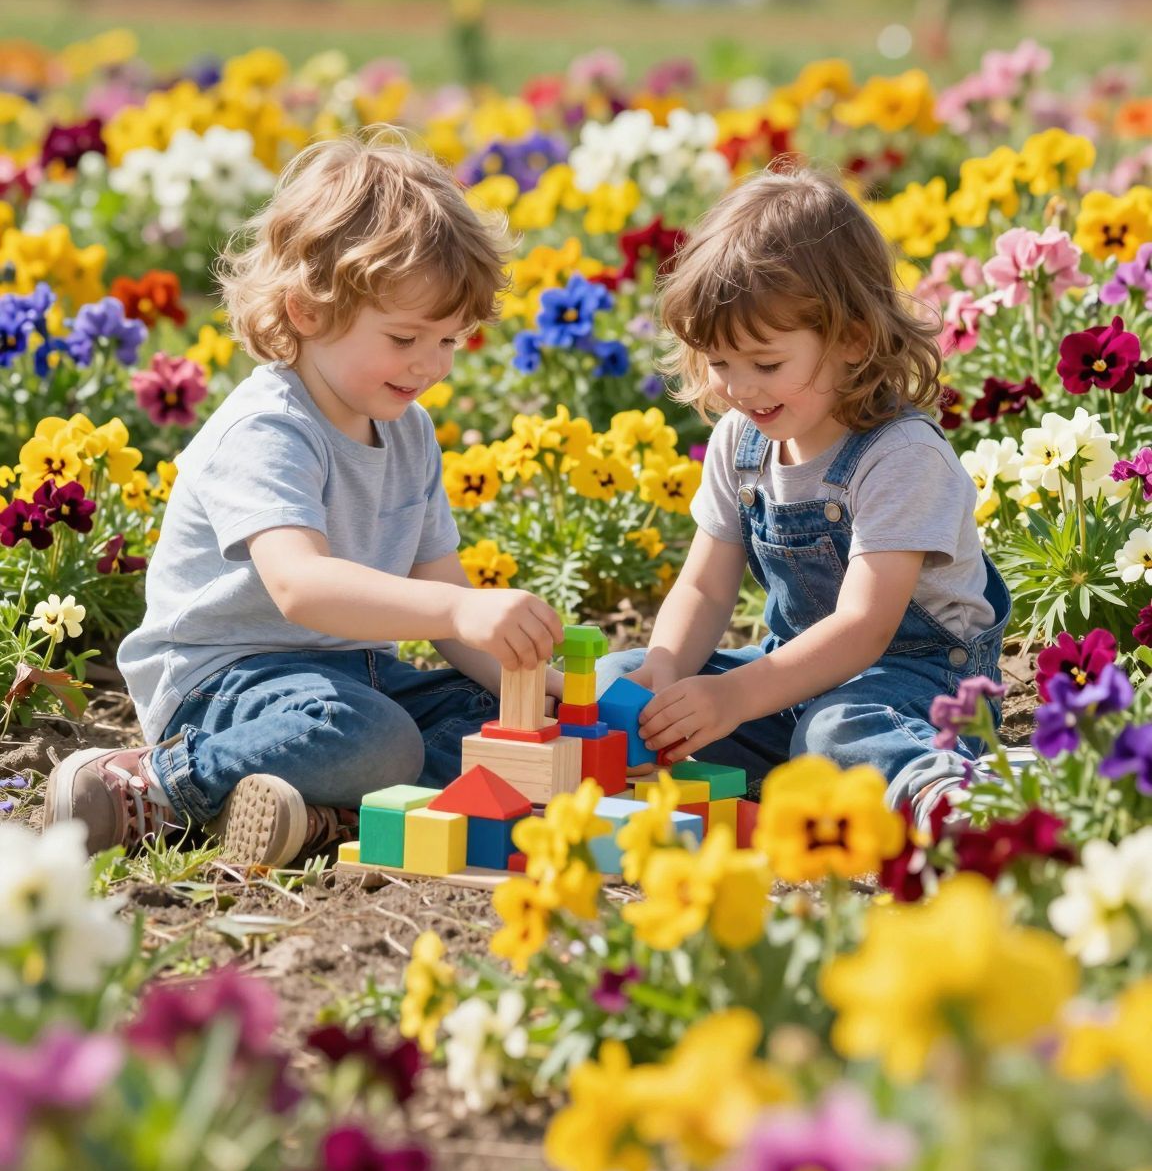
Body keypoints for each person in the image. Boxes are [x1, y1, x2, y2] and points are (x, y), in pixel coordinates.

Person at [43, 131, 563, 866]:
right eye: (405, 337)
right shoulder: (268, 426)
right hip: (226, 684)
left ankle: (318, 817)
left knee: (496, 726)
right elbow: (301, 587)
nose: (430, 364)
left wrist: (541, 691)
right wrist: (457, 610)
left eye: (451, 340)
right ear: (307, 311)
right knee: (377, 738)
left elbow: (444, 594)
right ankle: (151, 787)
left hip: (354, 682)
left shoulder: (408, 430)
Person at [596, 162, 1010, 818]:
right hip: (790, 677)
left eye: (765, 363)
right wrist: (667, 674)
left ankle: (958, 797)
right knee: (622, 678)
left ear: (852, 339)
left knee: (834, 733)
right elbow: (704, 590)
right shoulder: (741, 441)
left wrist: (734, 698)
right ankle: (786, 778)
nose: (739, 387)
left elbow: (863, 629)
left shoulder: (902, 456)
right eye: (719, 361)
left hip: (921, 687)